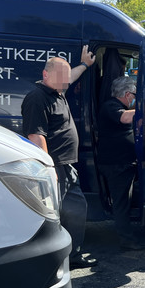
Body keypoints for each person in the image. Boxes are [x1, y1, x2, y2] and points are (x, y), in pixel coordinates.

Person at [22, 45, 98, 269]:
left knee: (76, 209)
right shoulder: (37, 98)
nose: (66, 81)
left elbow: (70, 76)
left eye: (66, 77)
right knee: (51, 216)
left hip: (67, 166)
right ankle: (46, 262)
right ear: (45, 74)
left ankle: (72, 256)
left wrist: (85, 64)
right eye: (60, 76)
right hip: (55, 168)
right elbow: (36, 135)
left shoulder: (58, 91)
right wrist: (48, 169)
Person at [96, 76, 145, 251]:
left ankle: (127, 235)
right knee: (121, 202)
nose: (134, 99)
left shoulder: (117, 105)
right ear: (127, 94)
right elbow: (125, 118)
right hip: (116, 164)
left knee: (124, 201)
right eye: (134, 95)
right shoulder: (110, 106)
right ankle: (126, 240)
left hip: (123, 163)